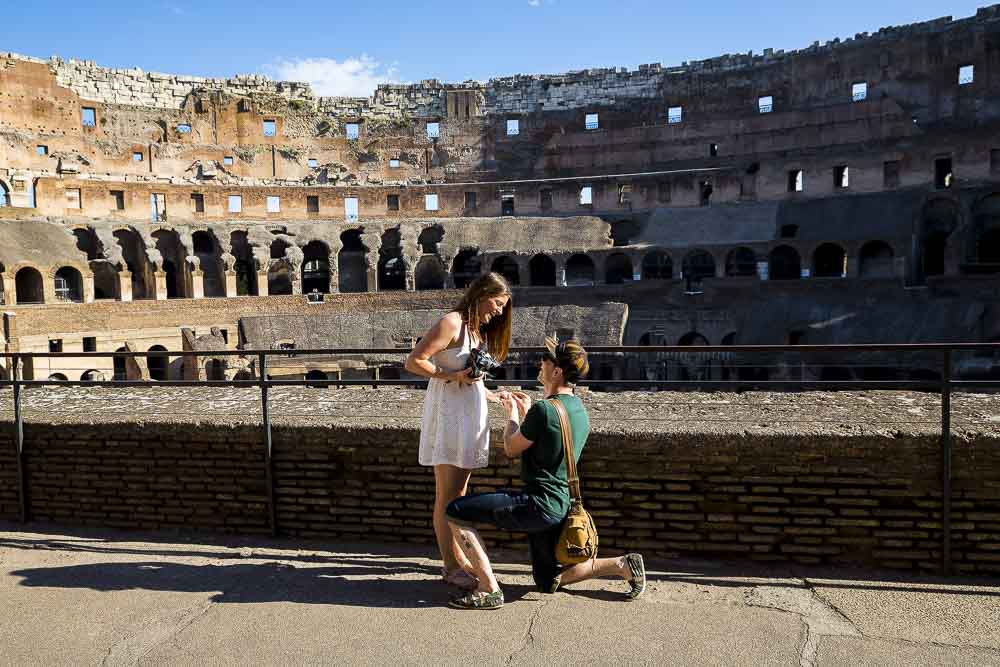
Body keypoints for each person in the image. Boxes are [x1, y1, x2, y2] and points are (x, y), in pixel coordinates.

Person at [443, 337, 646, 610]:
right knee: (547, 579)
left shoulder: (544, 410)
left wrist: (513, 414)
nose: (541, 364)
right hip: (562, 504)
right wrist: (528, 414)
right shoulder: (577, 410)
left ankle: (488, 588)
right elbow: (549, 444)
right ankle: (623, 564)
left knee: (455, 510)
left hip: (538, 504)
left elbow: (513, 448)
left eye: (546, 361)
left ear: (557, 371)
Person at [405, 272, 513, 591]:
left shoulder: (476, 330)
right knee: (446, 497)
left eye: (503, 307)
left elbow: (470, 376)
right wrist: (452, 377)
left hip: (468, 415)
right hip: (451, 416)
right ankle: (450, 566)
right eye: (497, 303)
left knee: (459, 496)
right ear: (480, 294)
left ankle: (458, 557)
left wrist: (493, 394)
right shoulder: (452, 323)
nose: (498, 311)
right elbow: (414, 362)